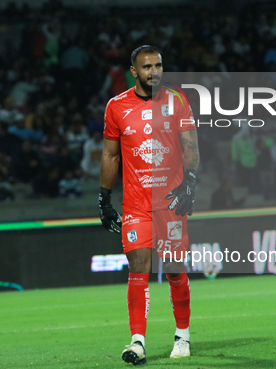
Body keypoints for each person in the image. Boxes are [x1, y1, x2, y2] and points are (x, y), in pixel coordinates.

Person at [99, 45, 199, 365]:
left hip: (170, 202)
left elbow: (190, 145)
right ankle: (138, 342)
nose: (154, 72)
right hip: (136, 204)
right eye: (147, 67)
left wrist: (191, 181)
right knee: (138, 267)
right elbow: (111, 155)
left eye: (158, 65)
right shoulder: (116, 106)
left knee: (173, 270)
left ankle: (182, 336)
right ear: (134, 71)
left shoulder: (177, 100)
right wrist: (104, 198)